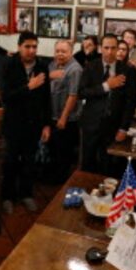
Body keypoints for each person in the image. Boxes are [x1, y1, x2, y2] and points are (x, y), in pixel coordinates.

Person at [0, 32, 51, 214]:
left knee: (29, 162)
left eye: (34, 47)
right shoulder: (9, 65)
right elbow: (5, 97)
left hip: (34, 124)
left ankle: (26, 194)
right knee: (10, 161)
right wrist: (28, 87)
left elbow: (47, 99)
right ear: (19, 46)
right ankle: (7, 196)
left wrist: (46, 125)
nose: (31, 50)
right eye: (27, 46)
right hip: (13, 123)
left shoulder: (42, 66)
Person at [79, 34, 136, 174]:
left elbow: (131, 102)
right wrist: (106, 86)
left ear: (118, 49)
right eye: (106, 48)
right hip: (91, 123)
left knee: (108, 166)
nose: (110, 52)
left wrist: (124, 128)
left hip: (113, 126)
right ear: (100, 48)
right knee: (87, 164)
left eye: (113, 48)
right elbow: (82, 92)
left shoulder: (128, 71)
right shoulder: (91, 66)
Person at [47, 40, 82, 183]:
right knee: (53, 149)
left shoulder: (75, 69)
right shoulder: (52, 65)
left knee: (64, 152)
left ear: (71, 52)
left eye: (64, 51)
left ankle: (61, 183)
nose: (60, 54)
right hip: (52, 114)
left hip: (67, 118)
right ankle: (53, 178)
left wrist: (63, 118)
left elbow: (73, 95)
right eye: (57, 51)